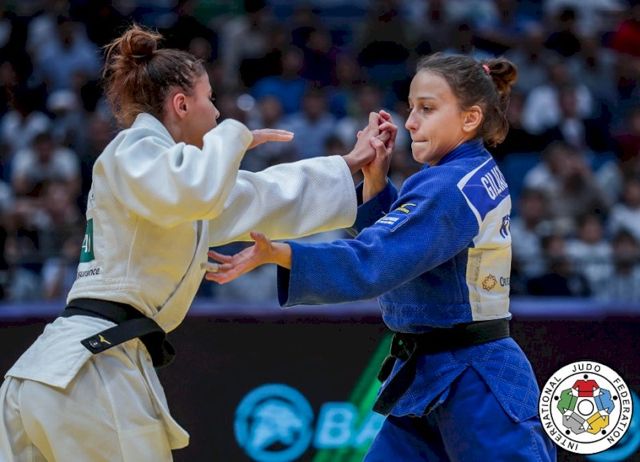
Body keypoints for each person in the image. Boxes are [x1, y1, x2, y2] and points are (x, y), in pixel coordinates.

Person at [0, 24, 392, 461]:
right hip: (89, 371)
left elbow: (260, 196)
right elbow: (200, 190)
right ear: (181, 104)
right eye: (210, 99)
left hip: (61, 372)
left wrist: (348, 164)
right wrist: (235, 136)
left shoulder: (167, 181)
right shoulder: (134, 149)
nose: (218, 113)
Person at [208, 53, 557, 461]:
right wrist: (376, 183)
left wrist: (281, 253)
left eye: (427, 109)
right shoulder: (464, 172)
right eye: (412, 108)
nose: (410, 123)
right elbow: (412, 249)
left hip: (472, 380)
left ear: (470, 118)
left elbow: (375, 261)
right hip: (435, 375)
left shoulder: (448, 187)